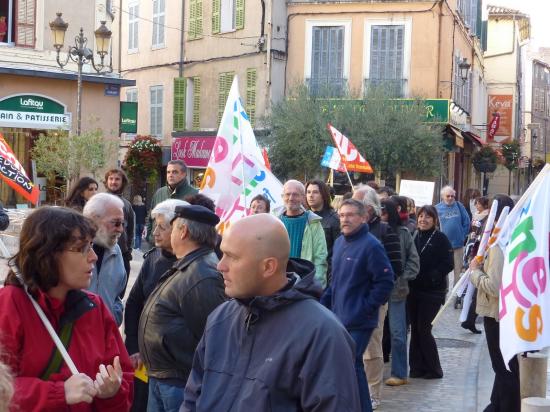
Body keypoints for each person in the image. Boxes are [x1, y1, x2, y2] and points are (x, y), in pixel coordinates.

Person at [183, 213, 361, 411]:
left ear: (268, 267)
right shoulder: (220, 318)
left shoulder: (322, 333)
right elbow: (193, 396)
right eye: (222, 253)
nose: (220, 265)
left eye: (232, 257)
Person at [0, 206, 133, 411]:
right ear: (47, 253)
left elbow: (125, 381)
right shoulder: (10, 303)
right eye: (81, 248)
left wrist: (112, 393)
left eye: (91, 246)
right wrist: (58, 393)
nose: (93, 257)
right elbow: (3, 390)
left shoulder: (95, 308)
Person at [138, 205, 226, 411]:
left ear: (183, 231)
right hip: (166, 378)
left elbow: (211, 337)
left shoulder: (202, 274)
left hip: (178, 383)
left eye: (173, 227)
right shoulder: (191, 265)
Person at [322, 199, 394, 412]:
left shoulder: (372, 246)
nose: (345, 219)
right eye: (342, 215)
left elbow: (385, 282)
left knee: (352, 365)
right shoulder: (339, 242)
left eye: (351, 215)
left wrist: (366, 308)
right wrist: (322, 306)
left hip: (359, 320)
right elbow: (334, 282)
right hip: (338, 317)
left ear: (363, 218)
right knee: (350, 366)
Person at [125, 199, 188, 412]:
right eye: (154, 226)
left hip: (175, 373)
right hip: (144, 361)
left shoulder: (196, 267)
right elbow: (133, 303)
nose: (155, 233)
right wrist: (133, 346)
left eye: (162, 227)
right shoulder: (153, 258)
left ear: (181, 229)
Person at [353, 185, 402, 410]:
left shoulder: (384, 231)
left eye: (358, 205)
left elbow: (395, 268)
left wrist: (375, 295)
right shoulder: (349, 231)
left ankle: (374, 393)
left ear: (370, 208)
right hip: (351, 298)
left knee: (371, 348)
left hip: (373, 300)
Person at [469, 194, 518, 412]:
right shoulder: (510, 236)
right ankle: (496, 404)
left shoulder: (499, 245)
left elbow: (494, 285)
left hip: (496, 313)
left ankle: (507, 407)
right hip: (504, 312)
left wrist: (475, 273)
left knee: (503, 366)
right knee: (505, 365)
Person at [408, 205, 454, 379]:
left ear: (434, 220)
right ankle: (416, 367)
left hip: (432, 292)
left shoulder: (441, 238)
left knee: (424, 329)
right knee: (415, 330)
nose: (423, 220)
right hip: (414, 290)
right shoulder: (414, 235)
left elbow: (448, 263)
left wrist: (433, 276)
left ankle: (434, 368)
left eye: (428, 217)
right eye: (421, 216)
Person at [381, 199, 419, 388]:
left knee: (397, 332)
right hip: (375, 288)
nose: (382, 214)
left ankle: (400, 372)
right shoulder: (373, 232)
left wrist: (403, 278)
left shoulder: (403, 233)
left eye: (384, 211)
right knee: (373, 332)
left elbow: (414, 260)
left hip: (396, 288)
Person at [273, 180, 328, 287]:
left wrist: (317, 285)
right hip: (278, 281)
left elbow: (320, 257)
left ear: (303, 197)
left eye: (295, 194)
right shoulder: (274, 221)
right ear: (282, 196)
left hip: (303, 282)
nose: (291, 198)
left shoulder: (313, 223)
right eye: (287, 194)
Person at [83, 193, 127, 326]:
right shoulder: (71, 251)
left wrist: (114, 315)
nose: (120, 229)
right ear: (94, 219)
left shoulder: (116, 250)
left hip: (104, 336)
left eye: (122, 223)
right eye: (115, 223)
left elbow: (117, 295)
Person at [146, 160, 198, 242]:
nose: (170, 175)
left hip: (180, 246)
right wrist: (149, 238)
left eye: (175, 172)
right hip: (157, 246)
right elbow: (150, 217)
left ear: (184, 174)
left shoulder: (195, 195)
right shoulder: (159, 192)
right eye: (168, 172)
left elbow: (197, 225)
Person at [435, 185, 470, 305]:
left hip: (458, 245)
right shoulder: (437, 209)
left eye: (452, 196)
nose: (450, 198)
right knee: (444, 270)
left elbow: (467, 221)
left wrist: (463, 235)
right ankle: (443, 291)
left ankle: (456, 295)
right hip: (443, 246)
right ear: (442, 197)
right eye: (448, 196)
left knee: (457, 271)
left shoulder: (459, 206)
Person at [461, 195, 490, 334]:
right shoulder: (485, 219)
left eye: (478, 204)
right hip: (481, 257)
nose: (476, 206)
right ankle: (470, 320)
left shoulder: (487, 218)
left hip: (480, 255)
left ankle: (470, 320)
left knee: (478, 291)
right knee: (479, 291)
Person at [305, 179, 340, 285]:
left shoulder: (334, 219)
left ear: (323, 195)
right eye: (308, 192)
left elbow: (338, 251)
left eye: (315, 192)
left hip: (326, 276)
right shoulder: (304, 216)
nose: (311, 195)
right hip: (306, 273)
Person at [104, 169, 135, 279]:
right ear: (106, 181)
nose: (113, 182)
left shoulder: (127, 205)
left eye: (117, 179)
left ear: (122, 182)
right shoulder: (99, 201)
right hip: (102, 252)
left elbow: (131, 230)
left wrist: (128, 250)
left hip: (122, 253)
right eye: (111, 179)